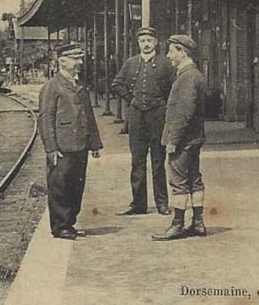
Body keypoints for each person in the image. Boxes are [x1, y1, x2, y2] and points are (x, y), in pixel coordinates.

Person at [39, 42, 103, 240]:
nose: (80, 62)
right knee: (60, 185)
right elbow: (46, 117)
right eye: (76, 59)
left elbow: (88, 115)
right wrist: (51, 148)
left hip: (80, 144)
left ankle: (70, 223)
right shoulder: (52, 86)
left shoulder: (79, 84)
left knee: (76, 184)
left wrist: (94, 143)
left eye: (80, 58)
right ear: (62, 61)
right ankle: (60, 226)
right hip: (62, 146)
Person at [111, 27, 175, 216]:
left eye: (149, 40)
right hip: (137, 118)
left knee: (158, 160)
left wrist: (162, 104)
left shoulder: (165, 64)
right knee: (137, 161)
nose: (146, 44)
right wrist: (132, 100)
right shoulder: (131, 63)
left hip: (158, 117)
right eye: (142, 40)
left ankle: (162, 203)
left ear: (156, 42)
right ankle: (138, 204)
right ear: (138, 43)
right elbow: (117, 83)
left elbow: (174, 88)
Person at [153, 35, 208, 241]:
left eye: (171, 51)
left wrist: (173, 140)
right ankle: (198, 222)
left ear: (182, 52)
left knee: (178, 181)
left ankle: (177, 225)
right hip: (194, 138)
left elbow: (183, 112)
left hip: (183, 140)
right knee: (195, 180)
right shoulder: (194, 75)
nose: (168, 56)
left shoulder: (186, 77)